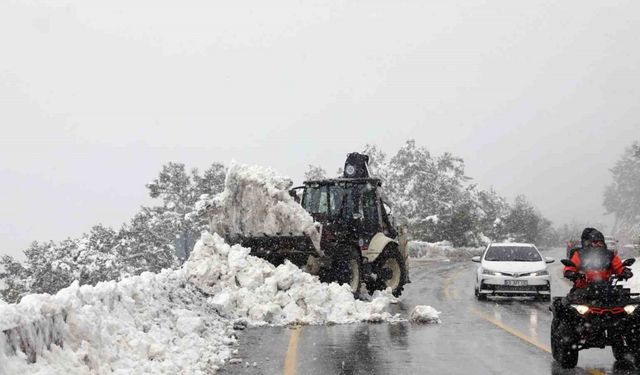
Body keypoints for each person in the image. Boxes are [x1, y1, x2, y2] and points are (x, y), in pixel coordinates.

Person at [563, 227, 632, 288]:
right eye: (595, 242)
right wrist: (570, 272)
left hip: (607, 290)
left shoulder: (609, 254)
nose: (598, 245)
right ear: (588, 242)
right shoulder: (579, 254)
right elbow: (571, 266)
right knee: (568, 300)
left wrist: (624, 271)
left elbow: (618, 267)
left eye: (600, 242)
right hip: (583, 288)